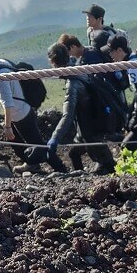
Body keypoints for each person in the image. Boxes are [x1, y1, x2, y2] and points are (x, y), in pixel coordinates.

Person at [0, 42, 66, 172]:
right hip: (23, 109)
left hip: (20, 114)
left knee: (37, 144)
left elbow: (7, 102)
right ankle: (32, 164)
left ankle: (60, 169)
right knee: (17, 142)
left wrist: (7, 126)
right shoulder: (3, 62)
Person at [46, 42, 115, 175]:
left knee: (107, 165)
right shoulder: (77, 68)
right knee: (74, 154)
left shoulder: (72, 84)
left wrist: (55, 138)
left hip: (90, 132)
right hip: (89, 127)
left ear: (53, 62)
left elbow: (68, 115)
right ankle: (79, 178)